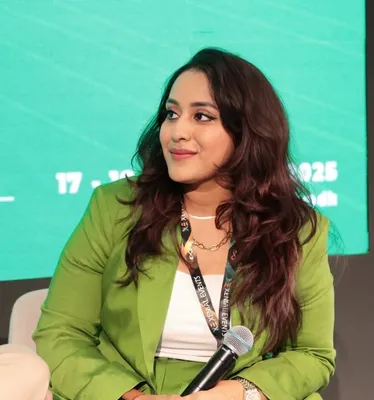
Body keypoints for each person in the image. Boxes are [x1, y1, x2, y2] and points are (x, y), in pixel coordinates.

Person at [33, 48, 335, 400]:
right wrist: (133, 399)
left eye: (202, 116)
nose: (178, 131)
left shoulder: (297, 229)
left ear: (247, 131)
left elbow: (312, 355)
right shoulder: (115, 207)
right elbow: (60, 333)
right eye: (171, 114)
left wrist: (238, 394)